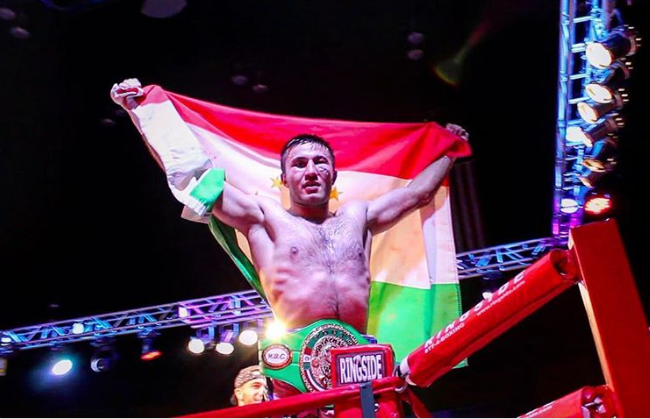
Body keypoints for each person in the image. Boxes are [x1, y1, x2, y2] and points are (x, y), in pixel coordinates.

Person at [111, 78, 469, 335]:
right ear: (284, 179)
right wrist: (143, 114)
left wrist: (449, 151)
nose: (310, 170)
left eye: (320, 162)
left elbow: (418, 194)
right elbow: (193, 179)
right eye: (299, 164)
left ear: (333, 175)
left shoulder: (358, 216)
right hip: (298, 354)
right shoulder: (264, 218)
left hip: (359, 350)